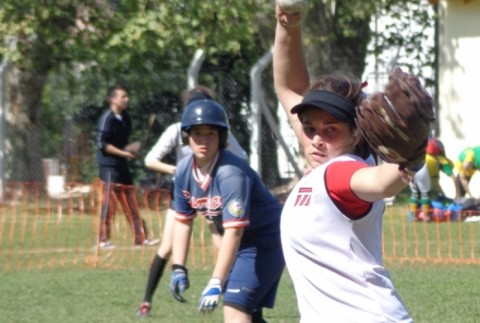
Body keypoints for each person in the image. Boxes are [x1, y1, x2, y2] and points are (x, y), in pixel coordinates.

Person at [272, 6, 423, 322]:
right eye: (310, 128)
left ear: (356, 132)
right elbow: (289, 88)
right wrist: (288, 23)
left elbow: (378, 183)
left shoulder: (341, 170)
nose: (315, 138)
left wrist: (407, 161)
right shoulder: (324, 157)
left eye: (330, 129)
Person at [168, 99, 285, 323]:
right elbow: (183, 221)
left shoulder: (230, 173)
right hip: (241, 243)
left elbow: (234, 231)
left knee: (234, 308)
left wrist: (215, 281)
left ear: (221, 137)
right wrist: (178, 267)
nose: (203, 140)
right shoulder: (184, 170)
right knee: (247, 312)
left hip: (266, 239)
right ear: (186, 136)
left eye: (211, 133)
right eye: (197, 133)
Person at [136, 86, 247, 318]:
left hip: (213, 191)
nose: (203, 136)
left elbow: (242, 157)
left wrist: (222, 175)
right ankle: (146, 301)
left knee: (220, 238)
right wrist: (178, 170)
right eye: (197, 132)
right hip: (186, 193)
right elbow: (150, 160)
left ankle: (227, 288)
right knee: (167, 247)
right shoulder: (177, 130)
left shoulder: (219, 130)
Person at [96, 84, 158, 248]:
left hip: (122, 166)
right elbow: (103, 144)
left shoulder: (126, 118)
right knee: (109, 203)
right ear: (112, 99)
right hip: (108, 167)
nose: (126, 99)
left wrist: (131, 149)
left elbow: (122, 145)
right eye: (123, 96)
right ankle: (102, 240)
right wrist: (125, 153)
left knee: (131, 202)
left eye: (127, 96)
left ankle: (141, 238)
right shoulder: (107, 118)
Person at [409, 138, 458, 221]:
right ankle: (427, 215)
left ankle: (414, 216)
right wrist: (457, 192)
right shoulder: (439, 159)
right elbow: (451, 174)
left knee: (415, 194)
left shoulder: (421, 155)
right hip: (429, 178)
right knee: (427, 195)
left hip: (412, 173)